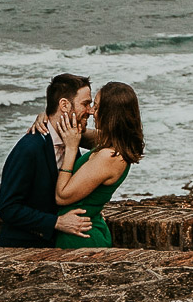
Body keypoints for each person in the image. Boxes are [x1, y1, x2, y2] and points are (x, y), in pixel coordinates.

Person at [0, 73, 94, 247]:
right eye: (85, 104)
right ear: (64, 104)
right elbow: (8, 208)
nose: (91, 111)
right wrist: (56, 222)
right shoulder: (29, 148)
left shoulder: (72, 140)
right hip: (22, 250)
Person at [50, 81, 144, 249]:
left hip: (80, 237)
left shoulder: (110, 156)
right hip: (82, 229)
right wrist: (46, 117)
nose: (91, 111)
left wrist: (71, 149)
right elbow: (74, 130)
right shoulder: (111, 142)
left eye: (97, 107)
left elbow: (62, 196)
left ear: (111, 114)